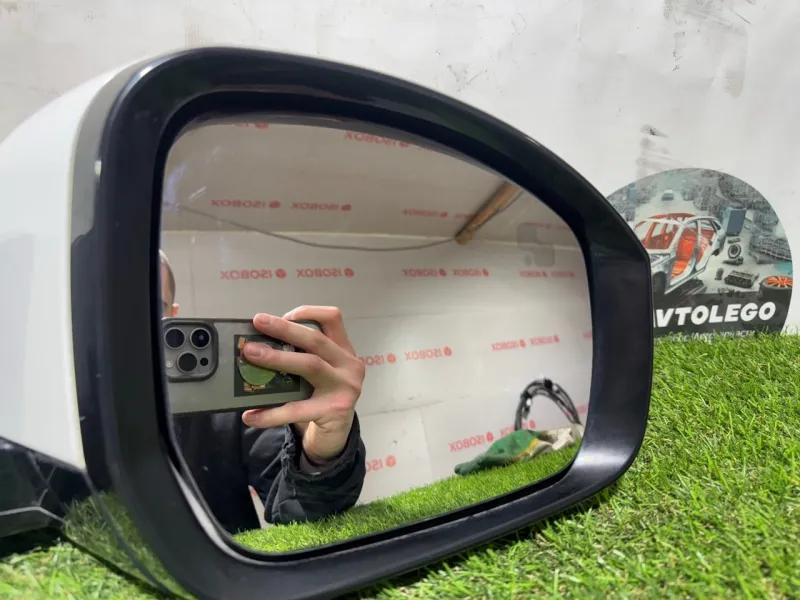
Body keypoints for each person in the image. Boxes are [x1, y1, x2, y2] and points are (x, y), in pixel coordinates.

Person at [159, 251, 367, 533]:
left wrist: (321, 456)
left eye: (150, 306)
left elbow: (298, 508)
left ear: (172, 314)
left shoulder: (230, 409)